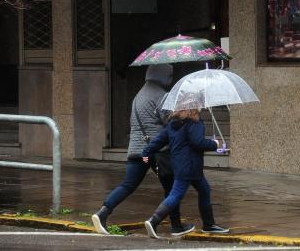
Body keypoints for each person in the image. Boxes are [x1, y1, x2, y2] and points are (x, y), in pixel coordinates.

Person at [92, 64, 194, 236]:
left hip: (137, 151)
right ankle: (174, 225)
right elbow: (170, 124)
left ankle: (103, 212)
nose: (170, 79)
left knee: (128, 184)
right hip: (155, 152)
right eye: (170, 75)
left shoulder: (138, 96)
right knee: (171, 187)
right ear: (163, 76)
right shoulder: (161, 96)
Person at [142, 108, 229, 239]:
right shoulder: (195, 122)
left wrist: (146, 154)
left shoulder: (173, 123)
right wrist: (214, 144)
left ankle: (209, 224)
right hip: (190, 166)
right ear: (193, 107)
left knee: (204, 190)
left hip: (180, 166)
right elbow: (197, 142)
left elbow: (158, 141)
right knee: (176, 194)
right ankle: (153, 221)